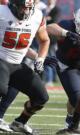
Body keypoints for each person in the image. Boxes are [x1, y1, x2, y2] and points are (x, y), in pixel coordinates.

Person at [0, 0, 50, 134]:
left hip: (17, 64)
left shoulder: (37, 16)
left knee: (41, 97)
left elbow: (44, 40)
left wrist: (40, 59)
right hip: (1, 59)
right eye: (22, 7)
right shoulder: (2, 12)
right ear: (13, 5)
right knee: (1, 89)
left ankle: (20, 122)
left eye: (28, 8)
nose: (26, 11)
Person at [46, 6, 80, 127]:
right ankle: (71, 117)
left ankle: (77, 99)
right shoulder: (68, 25)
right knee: (77, 99)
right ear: (76, 22)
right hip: (67, 66)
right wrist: (67, 33)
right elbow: (48, 28)